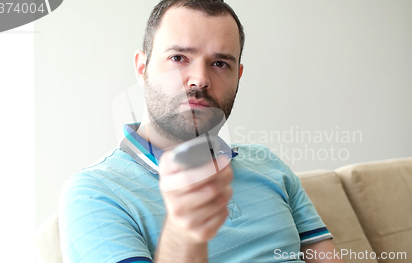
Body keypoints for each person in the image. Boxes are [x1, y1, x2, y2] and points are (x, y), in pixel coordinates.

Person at [58, 0, 343, 262]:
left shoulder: (267, 163)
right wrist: (185, 234)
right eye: (179, 58)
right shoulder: (94, 192)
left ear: (238, 76)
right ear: (142, 67)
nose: (200, 79)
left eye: (220, 64)